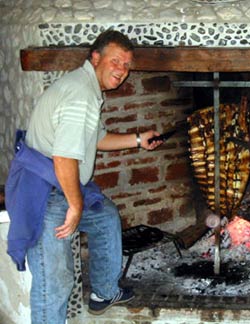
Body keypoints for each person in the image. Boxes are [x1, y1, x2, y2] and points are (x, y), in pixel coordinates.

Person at [5, 30, 163, 323]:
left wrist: (139, 139)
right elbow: (64, 158)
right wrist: (76, 206)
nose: (122, 71)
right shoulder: (81, 95)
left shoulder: (85, 88)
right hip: (46, 194)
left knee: (105, 218)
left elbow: (98, 137)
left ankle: (104, 292)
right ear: (95, 57)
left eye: (127, 65)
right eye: (116, 61)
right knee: (55, 281)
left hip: (59, 185)